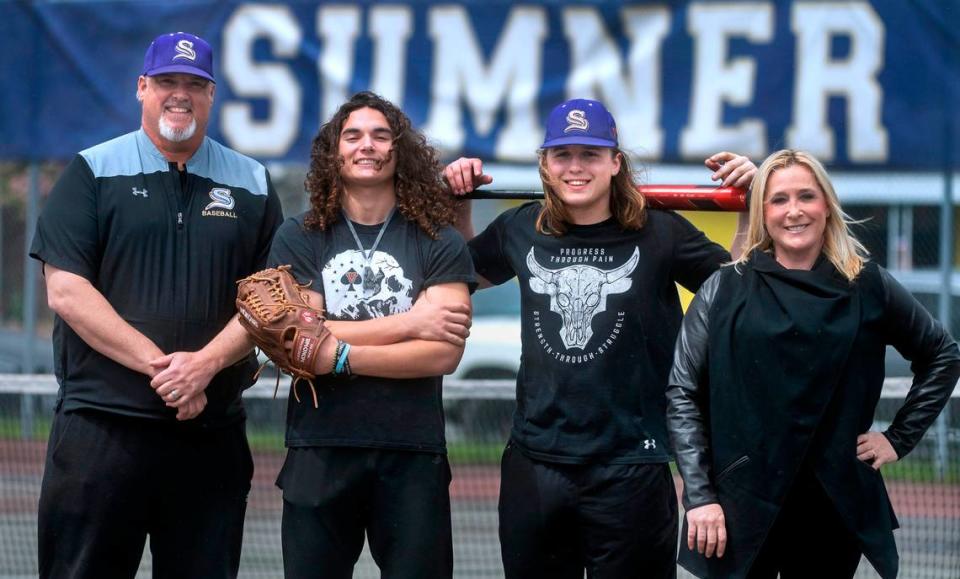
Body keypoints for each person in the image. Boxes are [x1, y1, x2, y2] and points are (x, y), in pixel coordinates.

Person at [443, 98, 756, 578]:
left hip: (632, 464)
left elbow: (737, 293)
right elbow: (461, 273)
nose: (575, 167)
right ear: (545, 164)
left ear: (615, 163)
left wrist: (750, 205)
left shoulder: (661, 233)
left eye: (590, 154)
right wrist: (458, 203)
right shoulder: (520, 227)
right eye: (562, 154)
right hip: (535, 462)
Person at [29, 32, 283, 578]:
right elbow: (66, 290)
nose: (180, 94)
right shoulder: (92, 171)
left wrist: (206, 366)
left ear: (213, 96)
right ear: (142, 87)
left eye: (196, 84)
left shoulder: (254, 183)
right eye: (167, 81)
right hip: (101, 432)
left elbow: (272, 299)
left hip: (210, 437)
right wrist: (167, 371)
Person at [666, 149, 960, 579]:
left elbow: (943, 354)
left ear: (827, 205)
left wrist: (898, 438)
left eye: (806, 196)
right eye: (779, 199)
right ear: (762, 212)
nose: (794, 211)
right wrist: (699, 495)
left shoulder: (867, 285)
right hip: (738, 504)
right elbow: (682, 392)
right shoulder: (725, 287)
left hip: (832, 505)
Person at [264, 91, 475, 579]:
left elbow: (442, 352)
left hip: (412, 452)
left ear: (400, 151)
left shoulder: (437, 238)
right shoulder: (301, 234)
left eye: (381, 135)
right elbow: (295, 339)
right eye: (353, 135)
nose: (367, 145)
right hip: (319, 447)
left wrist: (338, 356)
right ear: (334, 151)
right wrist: (411, 323)